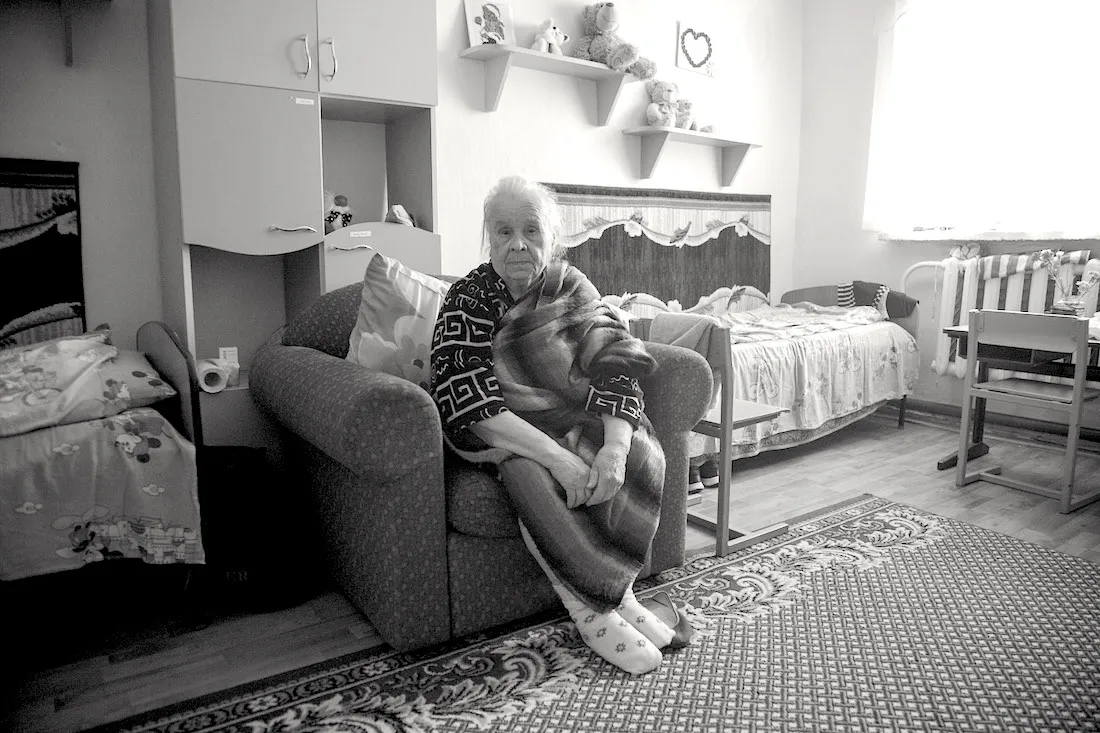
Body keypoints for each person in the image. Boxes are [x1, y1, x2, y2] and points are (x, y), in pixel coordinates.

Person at [429, 175, 681, 675]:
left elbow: (616, 357)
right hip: (500, 426)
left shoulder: (570, 285)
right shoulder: (468, 297)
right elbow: (464, 395)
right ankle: (592, 612)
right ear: (487, 236)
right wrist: (560, 459)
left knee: (639, 450)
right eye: (503, 231)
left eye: (531, 230)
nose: (517, 244)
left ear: (553, 235)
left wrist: (613, 446)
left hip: (572, 412)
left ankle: (621, 593)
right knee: (532, 475)